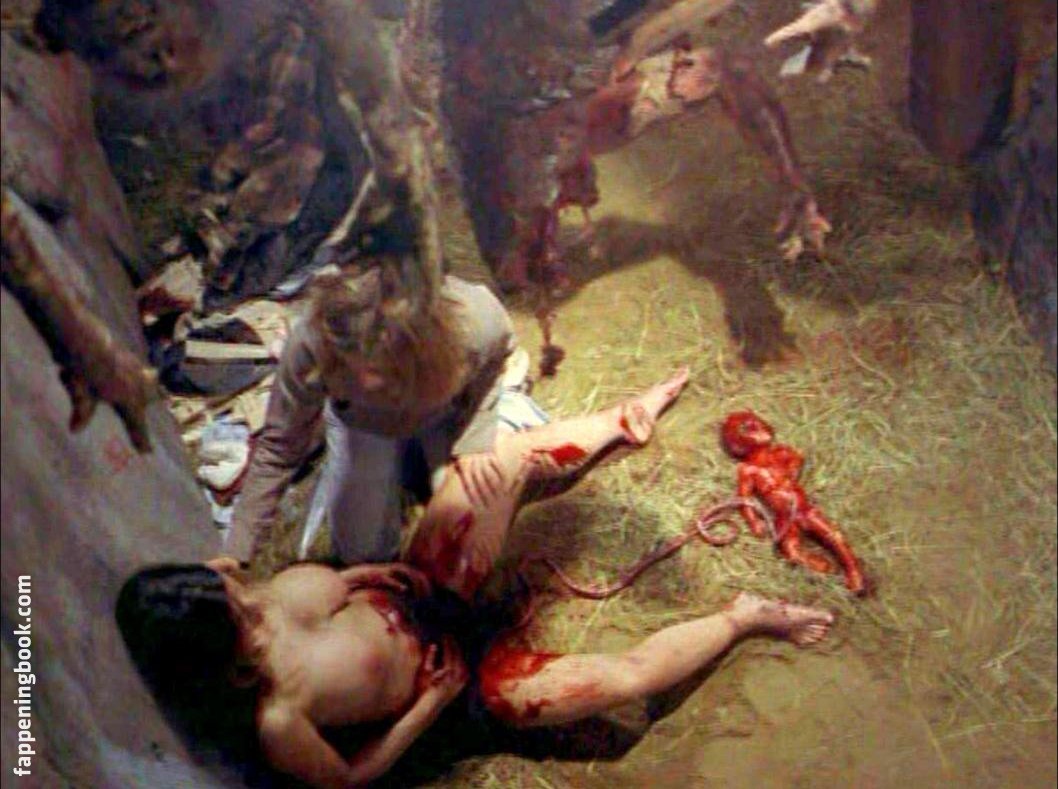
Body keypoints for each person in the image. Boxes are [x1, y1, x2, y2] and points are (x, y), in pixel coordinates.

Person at [120, 370, 835, 788]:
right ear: (226, 664)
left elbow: (306, 590)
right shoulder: (278, 717)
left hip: (420, 589)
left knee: (491, 466)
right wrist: (430, 704)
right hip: (458, 684)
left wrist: (368, 573)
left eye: (240, 595)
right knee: (621, 682)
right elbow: (348, 779)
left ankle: (626, 418)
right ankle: (745, 616)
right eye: (243, 622)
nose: (254, 608)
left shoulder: (231, 590)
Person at [225, 265, 521, 566]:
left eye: (386, 369)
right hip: (363, 427)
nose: (368, 381)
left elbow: (499, 352)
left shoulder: (472, 323)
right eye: (356, 364)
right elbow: (279, 448)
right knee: (363, 554)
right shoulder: (311, 347)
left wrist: (474, 437)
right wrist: (236, 552)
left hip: (442, 414)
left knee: (465, 529)